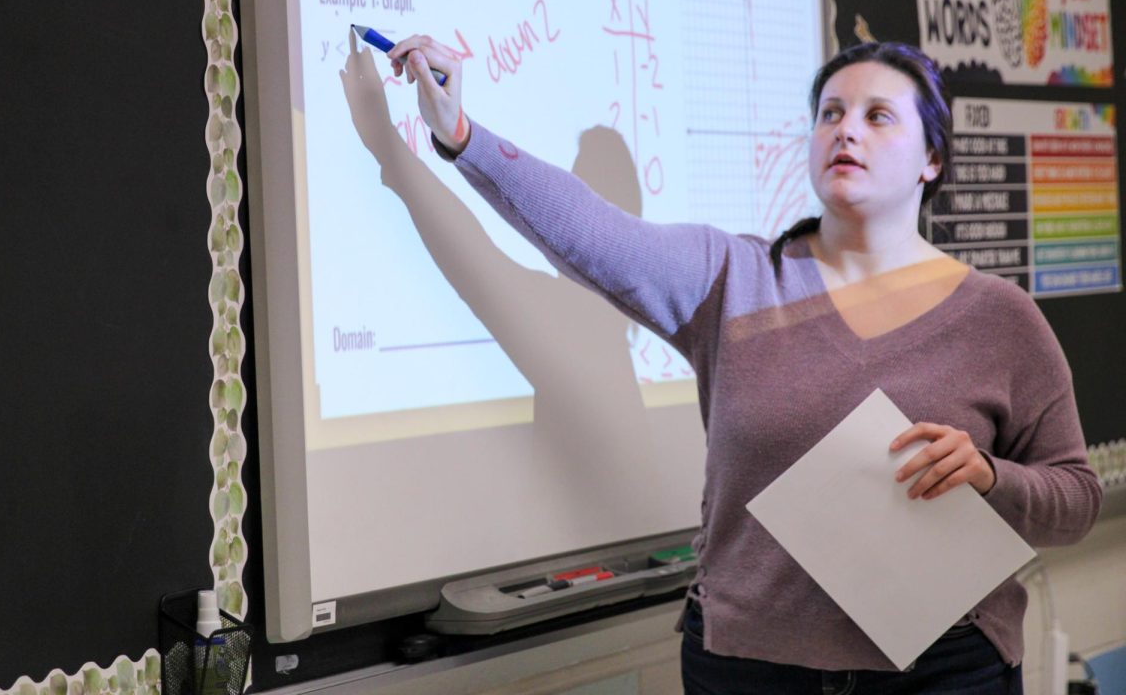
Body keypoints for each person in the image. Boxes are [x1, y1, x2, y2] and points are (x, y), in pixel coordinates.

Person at [372, 36, 1103, 694]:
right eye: (829, 113)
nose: (845, 128)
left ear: (933, 160)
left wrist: (988, 476)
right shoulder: (735, 279)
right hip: (750, 670)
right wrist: (461, 135)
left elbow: (1076, 498)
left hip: (945, 670)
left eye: (878, 116)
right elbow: (594, 236)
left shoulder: (999, 319)